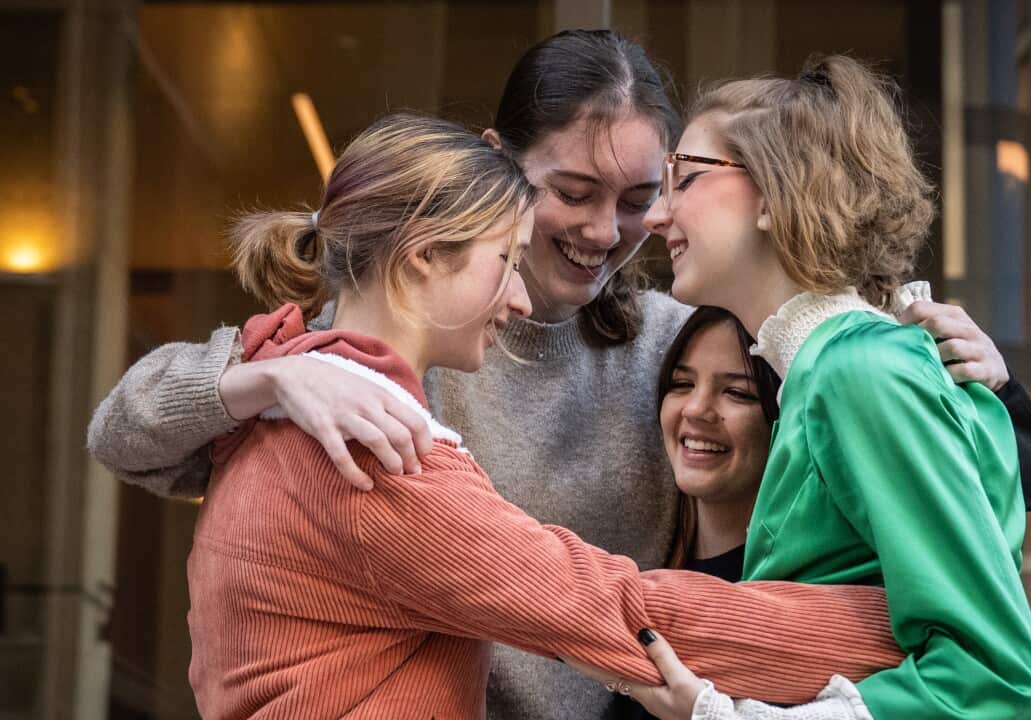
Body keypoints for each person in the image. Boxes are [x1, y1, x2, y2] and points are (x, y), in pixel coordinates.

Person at [87, 30, 1031, 720]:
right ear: (491, 175)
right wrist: (265, 381)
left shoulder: (683, 340)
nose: (615, 230)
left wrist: (974, 377)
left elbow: (925, 470)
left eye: (647, 193)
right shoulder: (351, 392)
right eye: (571, 192)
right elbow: (121, 433)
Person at [188, 110, 912, 719]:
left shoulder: (290, 386)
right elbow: (611, 607)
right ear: (422, 259)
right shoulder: (369, 453)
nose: (522, 300)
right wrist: (900, 624)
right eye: (503, 261)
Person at [616, 54, 1031, 719]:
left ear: (774, 195)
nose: (655, 215)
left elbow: (993, 675)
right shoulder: (829, 369)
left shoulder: (860, 369)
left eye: (687, 178)